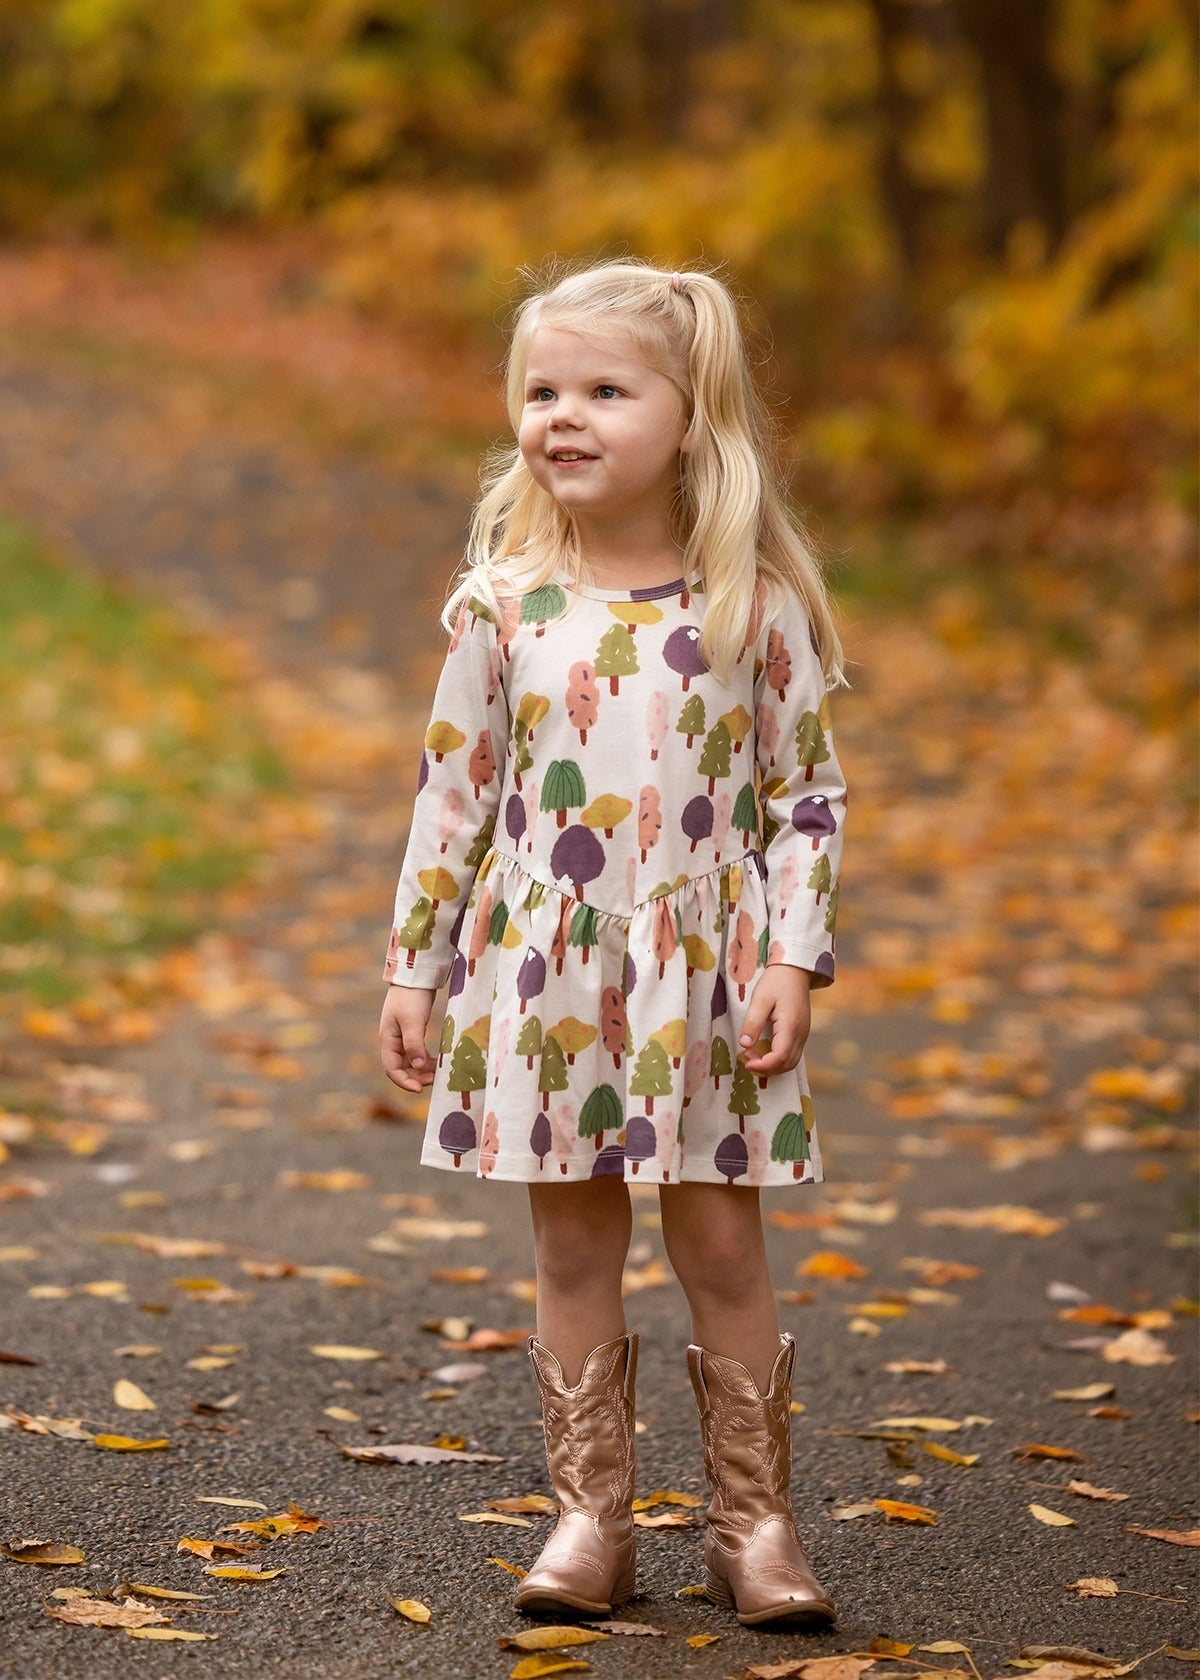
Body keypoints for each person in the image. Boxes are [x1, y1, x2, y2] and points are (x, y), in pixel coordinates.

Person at [379, 258, 848, 1630]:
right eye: (540, 390)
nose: (560, 415)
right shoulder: (503, 607)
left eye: (601, 389)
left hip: (705, 981)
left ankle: (754, 1526)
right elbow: (454, 796)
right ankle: (592, 1517)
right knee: (574, 1251)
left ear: (690, 419)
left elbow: (805, 799)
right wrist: (415, 968)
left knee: (721, 1246)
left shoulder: (750, 608)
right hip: (547, 976)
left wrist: (789, 959)